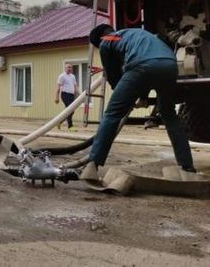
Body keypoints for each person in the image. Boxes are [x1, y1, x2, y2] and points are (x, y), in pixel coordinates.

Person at [84, 24, 195, 178]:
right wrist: (141, 96)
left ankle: (92, 165)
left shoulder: (106, 40)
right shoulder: (137, 33)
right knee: (169, 115)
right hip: (170, 65)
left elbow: (114, 74)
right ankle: (187, 166)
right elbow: (145, 61)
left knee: (112, 113)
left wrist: (125, 98)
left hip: (142, 66)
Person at [54, 63, 79, 131]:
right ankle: (70, 126)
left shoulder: (73, 76)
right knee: (71, 110)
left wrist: (80, 95)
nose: (69, 68)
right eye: (68, 67)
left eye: (71, 67)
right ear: (65, 68)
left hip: (71, 95)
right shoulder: (62, 76)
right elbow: (58, 87)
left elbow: (75, 86)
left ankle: (59, 122)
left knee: (69, 111)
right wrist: (56, 97)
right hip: (65, 94)